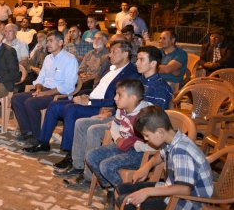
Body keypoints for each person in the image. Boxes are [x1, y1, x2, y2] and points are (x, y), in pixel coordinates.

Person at [61, 45, 174, 190]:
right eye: (137, 59)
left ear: (153, 63)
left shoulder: (160, 89)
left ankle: (90, 178)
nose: (137, 63)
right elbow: (123, 102)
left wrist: (118, 123)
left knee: (93, 129)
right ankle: (79, 166)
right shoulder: (138, 80)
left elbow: (153, 122)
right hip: (122, 119)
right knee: (82, 123)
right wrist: (111, 114)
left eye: (141, 60)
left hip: (139, 134)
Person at [23, 40, 140, 156]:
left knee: (71, 109)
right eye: (110, 52)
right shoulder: (111, 68)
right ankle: (43, 143)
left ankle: (70, 153)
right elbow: (100, 89)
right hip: (92, 99)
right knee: (54, 105)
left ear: (125, 54)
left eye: (114, 52)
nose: (110, 55)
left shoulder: (130, 73)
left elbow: (116, 100)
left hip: (102, 107)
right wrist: (85, 95)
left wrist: (89, 102)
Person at [115, 106, 213, 210]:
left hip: (189, 204)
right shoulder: (171, 139)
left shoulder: (181, 151)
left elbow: (184, 189)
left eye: (147, 135)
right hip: (172, 190)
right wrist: (147, 167)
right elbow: (160, 155)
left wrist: (147, 192)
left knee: (126, 202)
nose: (146, 139)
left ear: (160, 132)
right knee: (122, 189)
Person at [85, 79, 154, 210]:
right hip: (123, 144)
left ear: (133, 98)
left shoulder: (147, 114)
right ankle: (112, 187)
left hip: (141, 153)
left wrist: (136, 144)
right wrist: (117, 139)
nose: (115, 98)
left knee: (106, 165)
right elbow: (115, 126)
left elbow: (157, 144)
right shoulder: (122, 109)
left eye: (119, 95)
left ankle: (126, 192)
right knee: (91, 156)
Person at [11, 31, 79, 143]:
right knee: (16, 98)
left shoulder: (70, 59)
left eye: (51, 41)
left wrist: (46, 93)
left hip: (60, 94)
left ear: (61, 42)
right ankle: (27, 132)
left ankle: (38, 137)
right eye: (47, 41)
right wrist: (38, 89)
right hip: (44, 90)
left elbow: (68, 86)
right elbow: (40, 79)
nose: (48, 44)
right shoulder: (48, 58)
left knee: (30, 102)